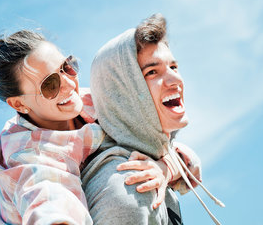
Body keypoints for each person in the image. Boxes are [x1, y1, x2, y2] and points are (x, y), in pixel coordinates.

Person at [0, 29, 196, 225]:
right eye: (50, 84)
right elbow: (46, 194)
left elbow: (178, 155)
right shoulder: (28, 153)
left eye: (66, 67)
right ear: (19, 103)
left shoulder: (97, 101)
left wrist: (165, 167)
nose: (70, 85)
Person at [82, 13, 223, 225]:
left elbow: (191, 163)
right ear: (121, 93)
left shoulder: (152, 163)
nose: (175, 80)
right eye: (152, 72)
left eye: (173, 67)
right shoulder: (131, 187)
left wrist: (167, 167)